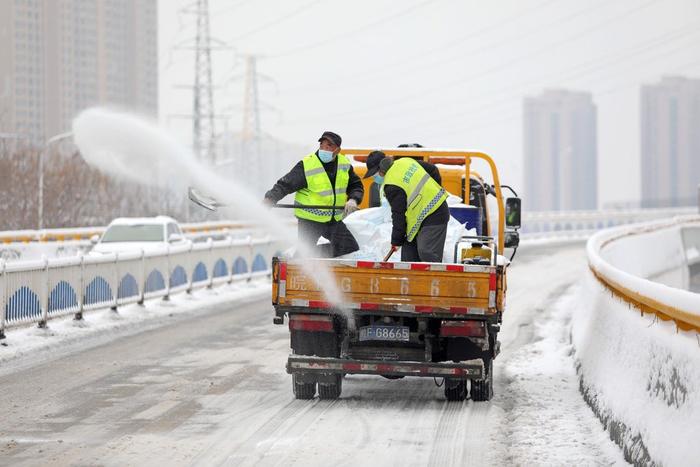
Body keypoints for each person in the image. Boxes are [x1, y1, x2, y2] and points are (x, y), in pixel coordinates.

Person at [264, 131, 364, 257]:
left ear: (337, 150)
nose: (324, 149)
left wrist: (354, 199)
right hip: (310, 220)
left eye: (329, 146)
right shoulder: (307, 165)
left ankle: (311, 256)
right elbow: (285, 184)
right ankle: (302, 261)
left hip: (333, 220)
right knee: (304, 254)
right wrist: (270, 199)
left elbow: (356, 185)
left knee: (350, 247)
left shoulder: (344, 165)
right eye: (322, 145)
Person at [364, 150, 449, 262]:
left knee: (427, 252)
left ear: (383, 167)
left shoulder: (391, 185)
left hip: (435, 213)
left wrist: (396, 241)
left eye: (375, 174)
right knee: (408, 259)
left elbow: (398, 214)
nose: (375, 178)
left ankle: (434, 279)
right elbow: (433, 169)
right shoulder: (406, 161)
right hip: (416, 220)